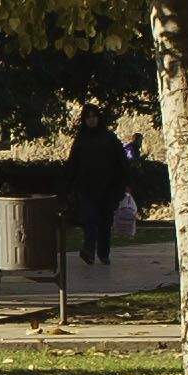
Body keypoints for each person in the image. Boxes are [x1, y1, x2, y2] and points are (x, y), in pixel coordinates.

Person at [62, 109, 130, 271]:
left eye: (94, 117)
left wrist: (124, 182)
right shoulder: (81, 139)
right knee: (90, 219)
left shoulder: (109, 138)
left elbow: (121, 162)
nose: (91, 120)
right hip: (86, 188)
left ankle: (103, 253)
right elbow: (73, 163)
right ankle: (89, 250)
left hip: (108, 188)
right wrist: (68, 184)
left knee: (105, 222)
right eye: (88, 118)